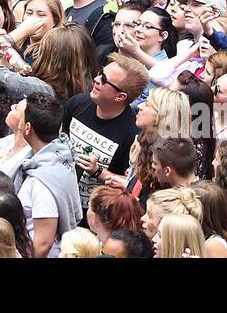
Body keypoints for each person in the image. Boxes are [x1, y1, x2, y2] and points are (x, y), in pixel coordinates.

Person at [59, 53, 146, 209]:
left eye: (104, 80)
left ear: (120, 97)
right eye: (100, 73)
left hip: (95, 212)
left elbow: (130, 183)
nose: (96, 80)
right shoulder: (77, 103)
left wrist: (97, 171)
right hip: (60, 197)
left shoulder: (133, 134)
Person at [10, 92, 82, 258]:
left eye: (21, 115)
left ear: (28, 127)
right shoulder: (60, 154)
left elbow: (43, 244)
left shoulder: (42, 183)